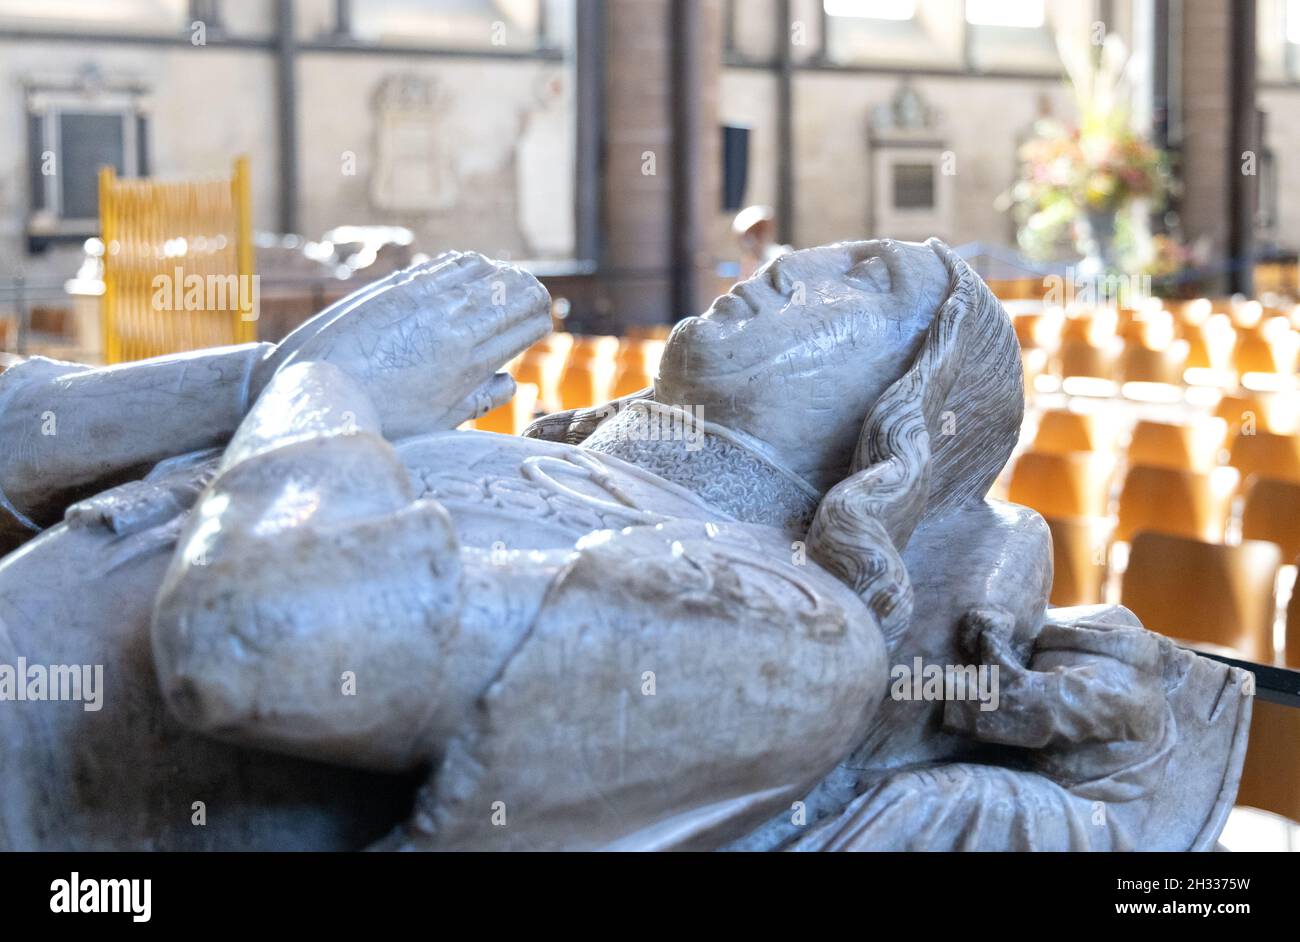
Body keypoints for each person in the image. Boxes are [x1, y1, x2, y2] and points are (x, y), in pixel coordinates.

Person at [0, 242, 1249, 851]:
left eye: (858, 282)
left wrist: (333, 383)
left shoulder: (782, 628)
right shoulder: (545, 455)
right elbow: (21, 444)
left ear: (905, 413)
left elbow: (262, 640)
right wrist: (287, 373)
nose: (785, 266)